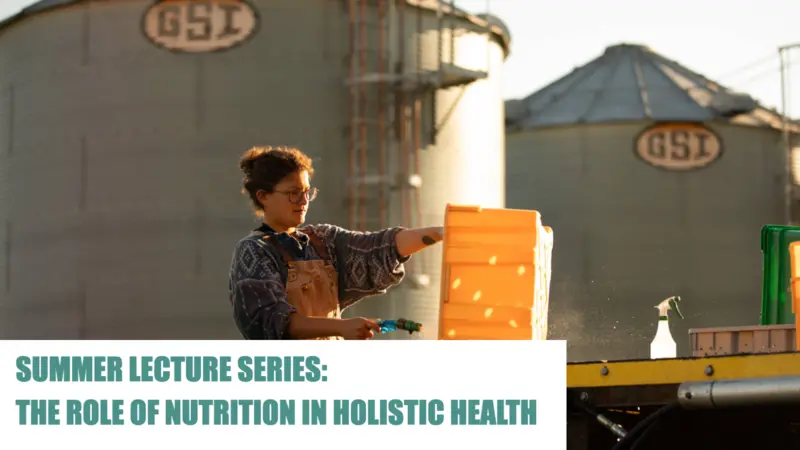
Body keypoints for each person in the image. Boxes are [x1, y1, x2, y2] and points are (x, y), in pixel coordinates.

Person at [228, 146, 444, 340]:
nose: (304, 202)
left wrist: (443, 233)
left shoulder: (323, 240)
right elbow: (273, 322)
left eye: (306, 192)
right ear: (264, 196)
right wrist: (341, 327)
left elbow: (379, 247)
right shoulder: (255, 251)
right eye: (293, 194)